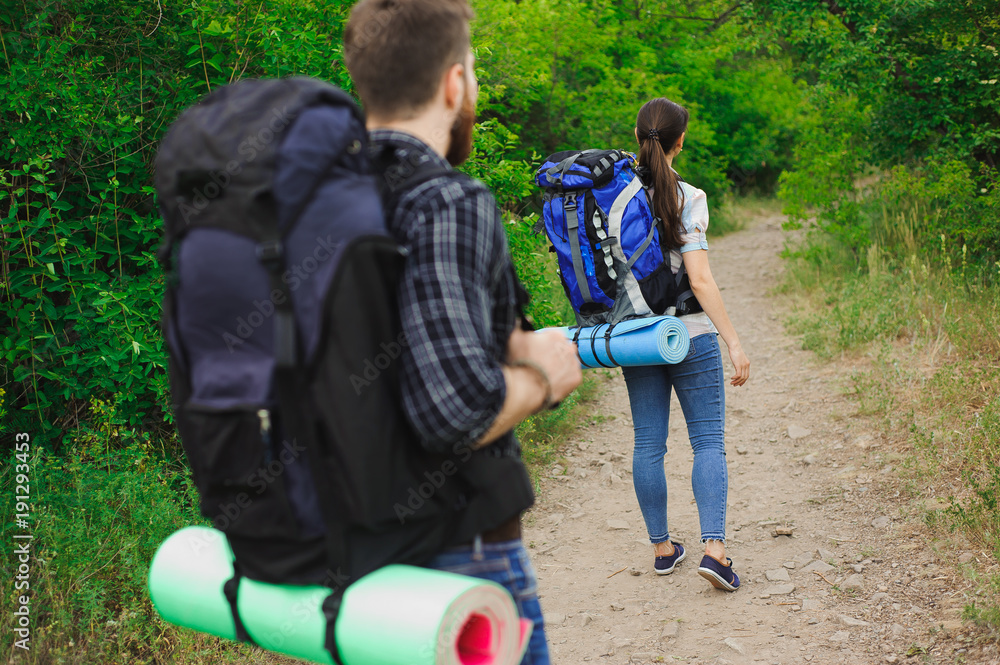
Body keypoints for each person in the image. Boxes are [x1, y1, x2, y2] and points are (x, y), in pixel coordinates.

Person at [343, 0, 582, 662]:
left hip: (349, 569)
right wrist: (545, 374)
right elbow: (454, 412)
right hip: (457, 562)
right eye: (471, 72)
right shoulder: (446, 200)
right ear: (454, 84)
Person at [622, 97, 751, 591]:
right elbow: (699, 280)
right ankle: (714, 552)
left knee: (648, 443)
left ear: (638, 137)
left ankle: (661, 548)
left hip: (636, 338)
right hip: (690, 335)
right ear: (680, 141)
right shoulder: (689, 196)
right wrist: (734, 342)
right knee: (709, 442)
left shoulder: (618, 197)